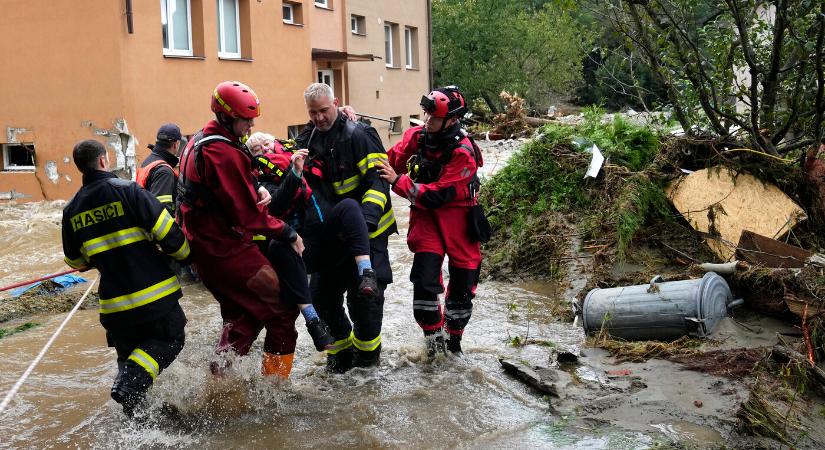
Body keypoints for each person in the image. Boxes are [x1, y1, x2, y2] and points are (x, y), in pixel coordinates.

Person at [176, 80, 301, 378]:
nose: (251, 125)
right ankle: (275, 388)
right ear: (227, 117)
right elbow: (248, 216)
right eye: (246, 119)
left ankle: (220, 380)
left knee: (243, 312)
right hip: (224, 249)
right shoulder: (222, 152)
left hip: (205, 248)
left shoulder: (200, 139)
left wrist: (256, 187)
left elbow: (223, 189)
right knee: (283, 309)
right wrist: (288, 232)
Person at [62, 139, 190, 417]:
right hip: (154, 296)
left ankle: (135, 422)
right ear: (104, 161)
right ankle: (130, 384)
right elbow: (168, 232)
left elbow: (76, 261)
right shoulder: (129, 191)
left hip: (115, 308)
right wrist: (186, 255)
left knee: (128, 356)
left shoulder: (71, 210)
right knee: (171, 338)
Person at [295, 83, 396, 372]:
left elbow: (378, 184)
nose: (319, 118)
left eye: (324, 111)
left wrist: (362, 225)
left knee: (366, 301)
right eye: (313, 113)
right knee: (322, 299)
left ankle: (367, 365)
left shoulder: (360, 134)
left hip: (368, 233)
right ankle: (339, 358)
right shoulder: (309, 137)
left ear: (336, 103)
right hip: (330, 236)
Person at [376, 86, 483, 357]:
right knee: (424, 283)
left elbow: (438, 195)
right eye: (426, 116)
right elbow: (391, 160)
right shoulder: (419, 136)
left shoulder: (464, 153)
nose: (427, 122)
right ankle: (433, 343)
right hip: (426, 219)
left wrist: (398, 182)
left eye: (433, 118)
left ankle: (454, 341)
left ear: (452, 120)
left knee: (462, 288)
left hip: (458, 218)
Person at [246, 132, 378, 296]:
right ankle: (311, 317)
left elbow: (318, 128)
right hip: (305, 245)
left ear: (277, 142)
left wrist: (340, 114)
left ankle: (366, 272)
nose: (266, 150)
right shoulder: (263, 184)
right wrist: (294, 173)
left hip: (332, 236)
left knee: (350, 206)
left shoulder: (302, 155)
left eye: (266, 144)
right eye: (258, 151)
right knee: (278, 247)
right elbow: (277, 206)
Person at [136, 123, 184, 215]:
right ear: (176, 144)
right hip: (161, 228)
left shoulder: (147, 162)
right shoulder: (164, 171)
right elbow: (161, 211)